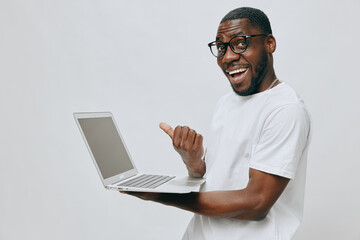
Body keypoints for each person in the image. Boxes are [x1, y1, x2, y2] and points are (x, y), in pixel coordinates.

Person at [122, 7, 311, 240]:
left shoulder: (284, 109)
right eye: (221, 47)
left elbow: (256, 203)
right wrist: (193, 161)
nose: (228, 57)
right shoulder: (227, 102)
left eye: (240, 43)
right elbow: (216, 179)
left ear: (269, 44)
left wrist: (160, 194)